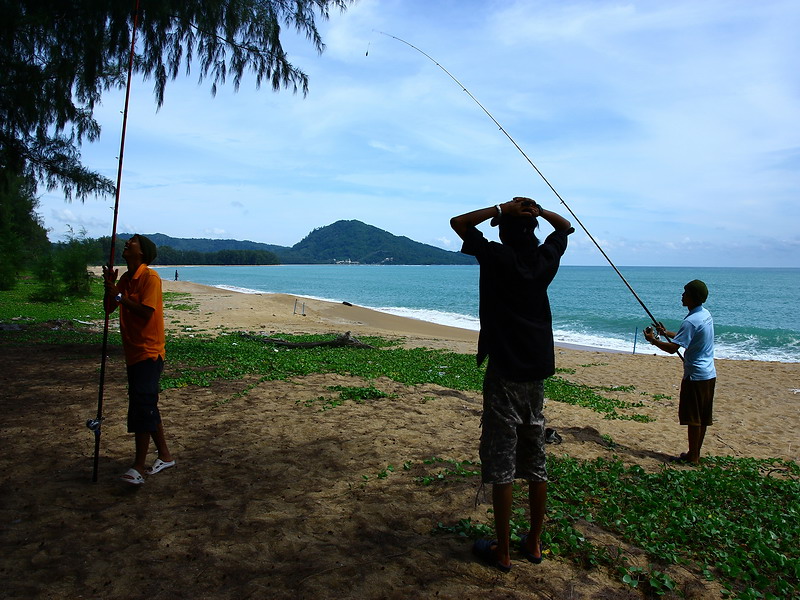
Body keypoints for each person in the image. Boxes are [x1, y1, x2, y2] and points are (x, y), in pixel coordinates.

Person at [450, 196, 573, 572]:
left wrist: (501, 209)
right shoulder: (545, 260)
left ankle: (502, 550)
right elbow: (564, 229)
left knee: (503, 462)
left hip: (504, 370)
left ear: (503, 232)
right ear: (535, 230)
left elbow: (458, 222)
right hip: (536, 370)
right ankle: (532, 542)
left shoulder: (496, 257)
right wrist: (539, 213)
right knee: (535, 459)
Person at [103, 234, 175, 485]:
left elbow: (146, 312)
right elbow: (108, 309)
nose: (126, 243)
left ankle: (138, 466)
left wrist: (120, 297)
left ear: (142, 252)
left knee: (142, 407)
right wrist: (111, 289)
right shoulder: (125, 278)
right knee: (145, 404)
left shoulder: (149, 277)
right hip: (133, 351)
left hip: (149, 350)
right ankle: (165, 455)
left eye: (132, 241)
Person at [644, 280, 716, 465]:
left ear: (693, 297)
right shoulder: (704, 315)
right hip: (709, 373)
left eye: (685, 293)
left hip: (695, 376)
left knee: (693, 418)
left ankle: (693, 457)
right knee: (702, 418)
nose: (682, 295)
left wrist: (653, 340)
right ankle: (695, 453)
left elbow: (672, 348)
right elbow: (687, 337)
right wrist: (665, 331)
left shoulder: (691, 321)